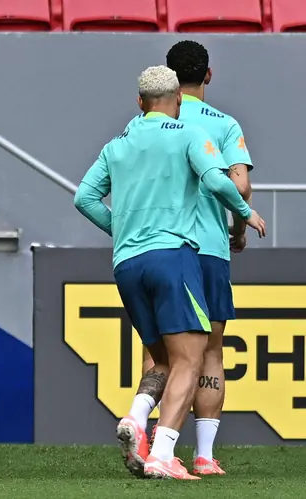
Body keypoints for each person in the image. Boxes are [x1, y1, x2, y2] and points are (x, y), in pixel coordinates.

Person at [73, 65, 265, 480]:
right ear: (178, 99)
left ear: (139, 102)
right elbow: (218, 181)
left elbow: (84, 197)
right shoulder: (189, 134)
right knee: (191, 358)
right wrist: (245, 213)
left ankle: (136, 416)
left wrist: (123, 230)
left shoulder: (116, 145)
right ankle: (162, 454)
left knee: (161, 357)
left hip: (127, 264)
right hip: (171, 257)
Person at [135, 40, 254, 477]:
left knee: (159, 352)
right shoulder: (223, 124)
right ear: (208, 75)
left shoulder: (147, 123)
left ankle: (148, 439)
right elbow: (239, 187)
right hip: (209, 248)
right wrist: (238, 228)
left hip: (160, 245)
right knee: (211, 351)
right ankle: (203, 455)